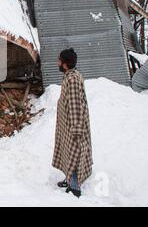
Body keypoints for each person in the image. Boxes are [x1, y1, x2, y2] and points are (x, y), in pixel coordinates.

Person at [53, 48, 93, 198]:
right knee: (67, 151)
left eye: (59, 60)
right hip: (67, 125)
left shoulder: (73, 79)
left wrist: (77, 129)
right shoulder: (69, 76)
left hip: (74, 126)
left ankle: (74, 187)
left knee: (74, 152)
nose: (57, 62)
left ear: (65, 64)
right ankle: (69, 178)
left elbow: (76, 105)